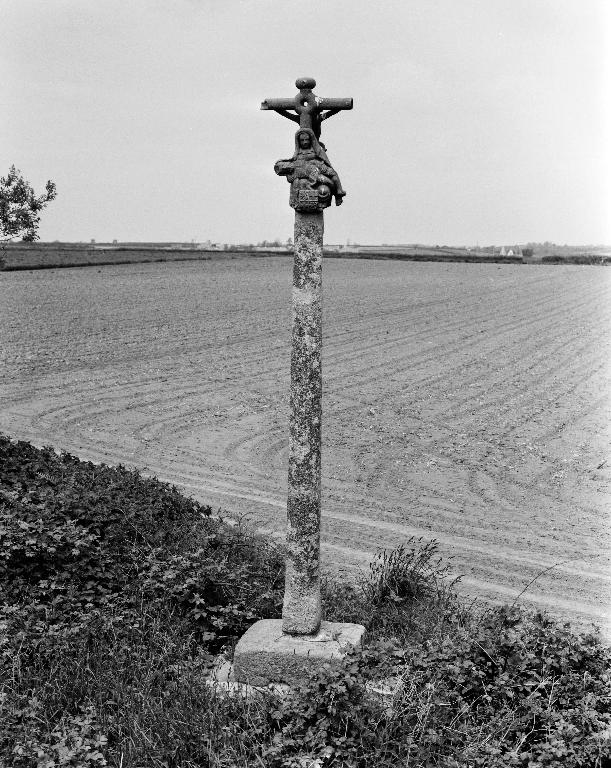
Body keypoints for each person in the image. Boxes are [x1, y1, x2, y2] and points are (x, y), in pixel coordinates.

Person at [274, 128, 346, 210]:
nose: (305, 142)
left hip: (318, 167)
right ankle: (303, 198)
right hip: (306, 172)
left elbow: (324, 159)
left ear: (311, 139)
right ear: (298, 141)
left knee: (332, 176)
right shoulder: (298, 152)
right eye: (302, 140)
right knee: (313, 182)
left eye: (307, 139)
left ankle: (339, 193)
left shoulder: (316, 150)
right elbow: (291, 162)